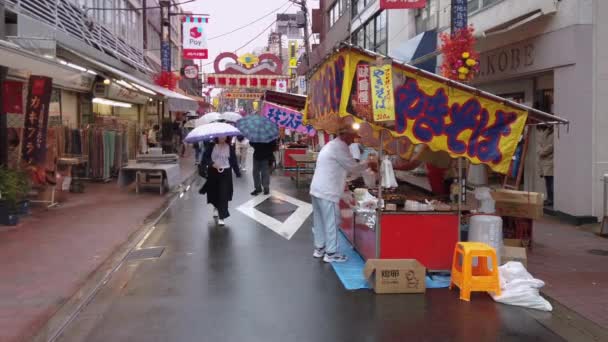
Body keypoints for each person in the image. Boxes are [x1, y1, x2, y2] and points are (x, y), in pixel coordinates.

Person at [309, 124, 376, 263]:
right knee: (332, 221)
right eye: (352, 136)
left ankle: (319, 248)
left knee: (320, 220)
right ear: (345, 134)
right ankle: (331, 253)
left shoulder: (332, 145)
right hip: (327, 190)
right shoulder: (340, 147)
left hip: (317, 188)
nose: (353, 139)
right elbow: (353, 167)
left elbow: (342, 168)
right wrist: (368, 164)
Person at [199, 136, 241, 226]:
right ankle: (215, 207)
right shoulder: (211, 146)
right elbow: (205, 158)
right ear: (217, 137)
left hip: (226, 173)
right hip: (213, 172)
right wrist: (212, 164)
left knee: (223, 193)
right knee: (214, 192)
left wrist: (237, 172)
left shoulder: (230, 147)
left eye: (224, 136)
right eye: (220, 136)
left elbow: (233, 160)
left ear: (227, 137)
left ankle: (222, 216)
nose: (222, 138)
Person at [538, 126, 554, 207]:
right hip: (545, 161)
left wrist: (542, 152)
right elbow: (541, 144)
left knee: (551, 182)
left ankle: (551, 199)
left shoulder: (555, 132)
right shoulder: (546, 132)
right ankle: (549, 198)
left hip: (550, 160)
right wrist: (541, 150)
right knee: (548, 181)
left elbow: (551, 146)